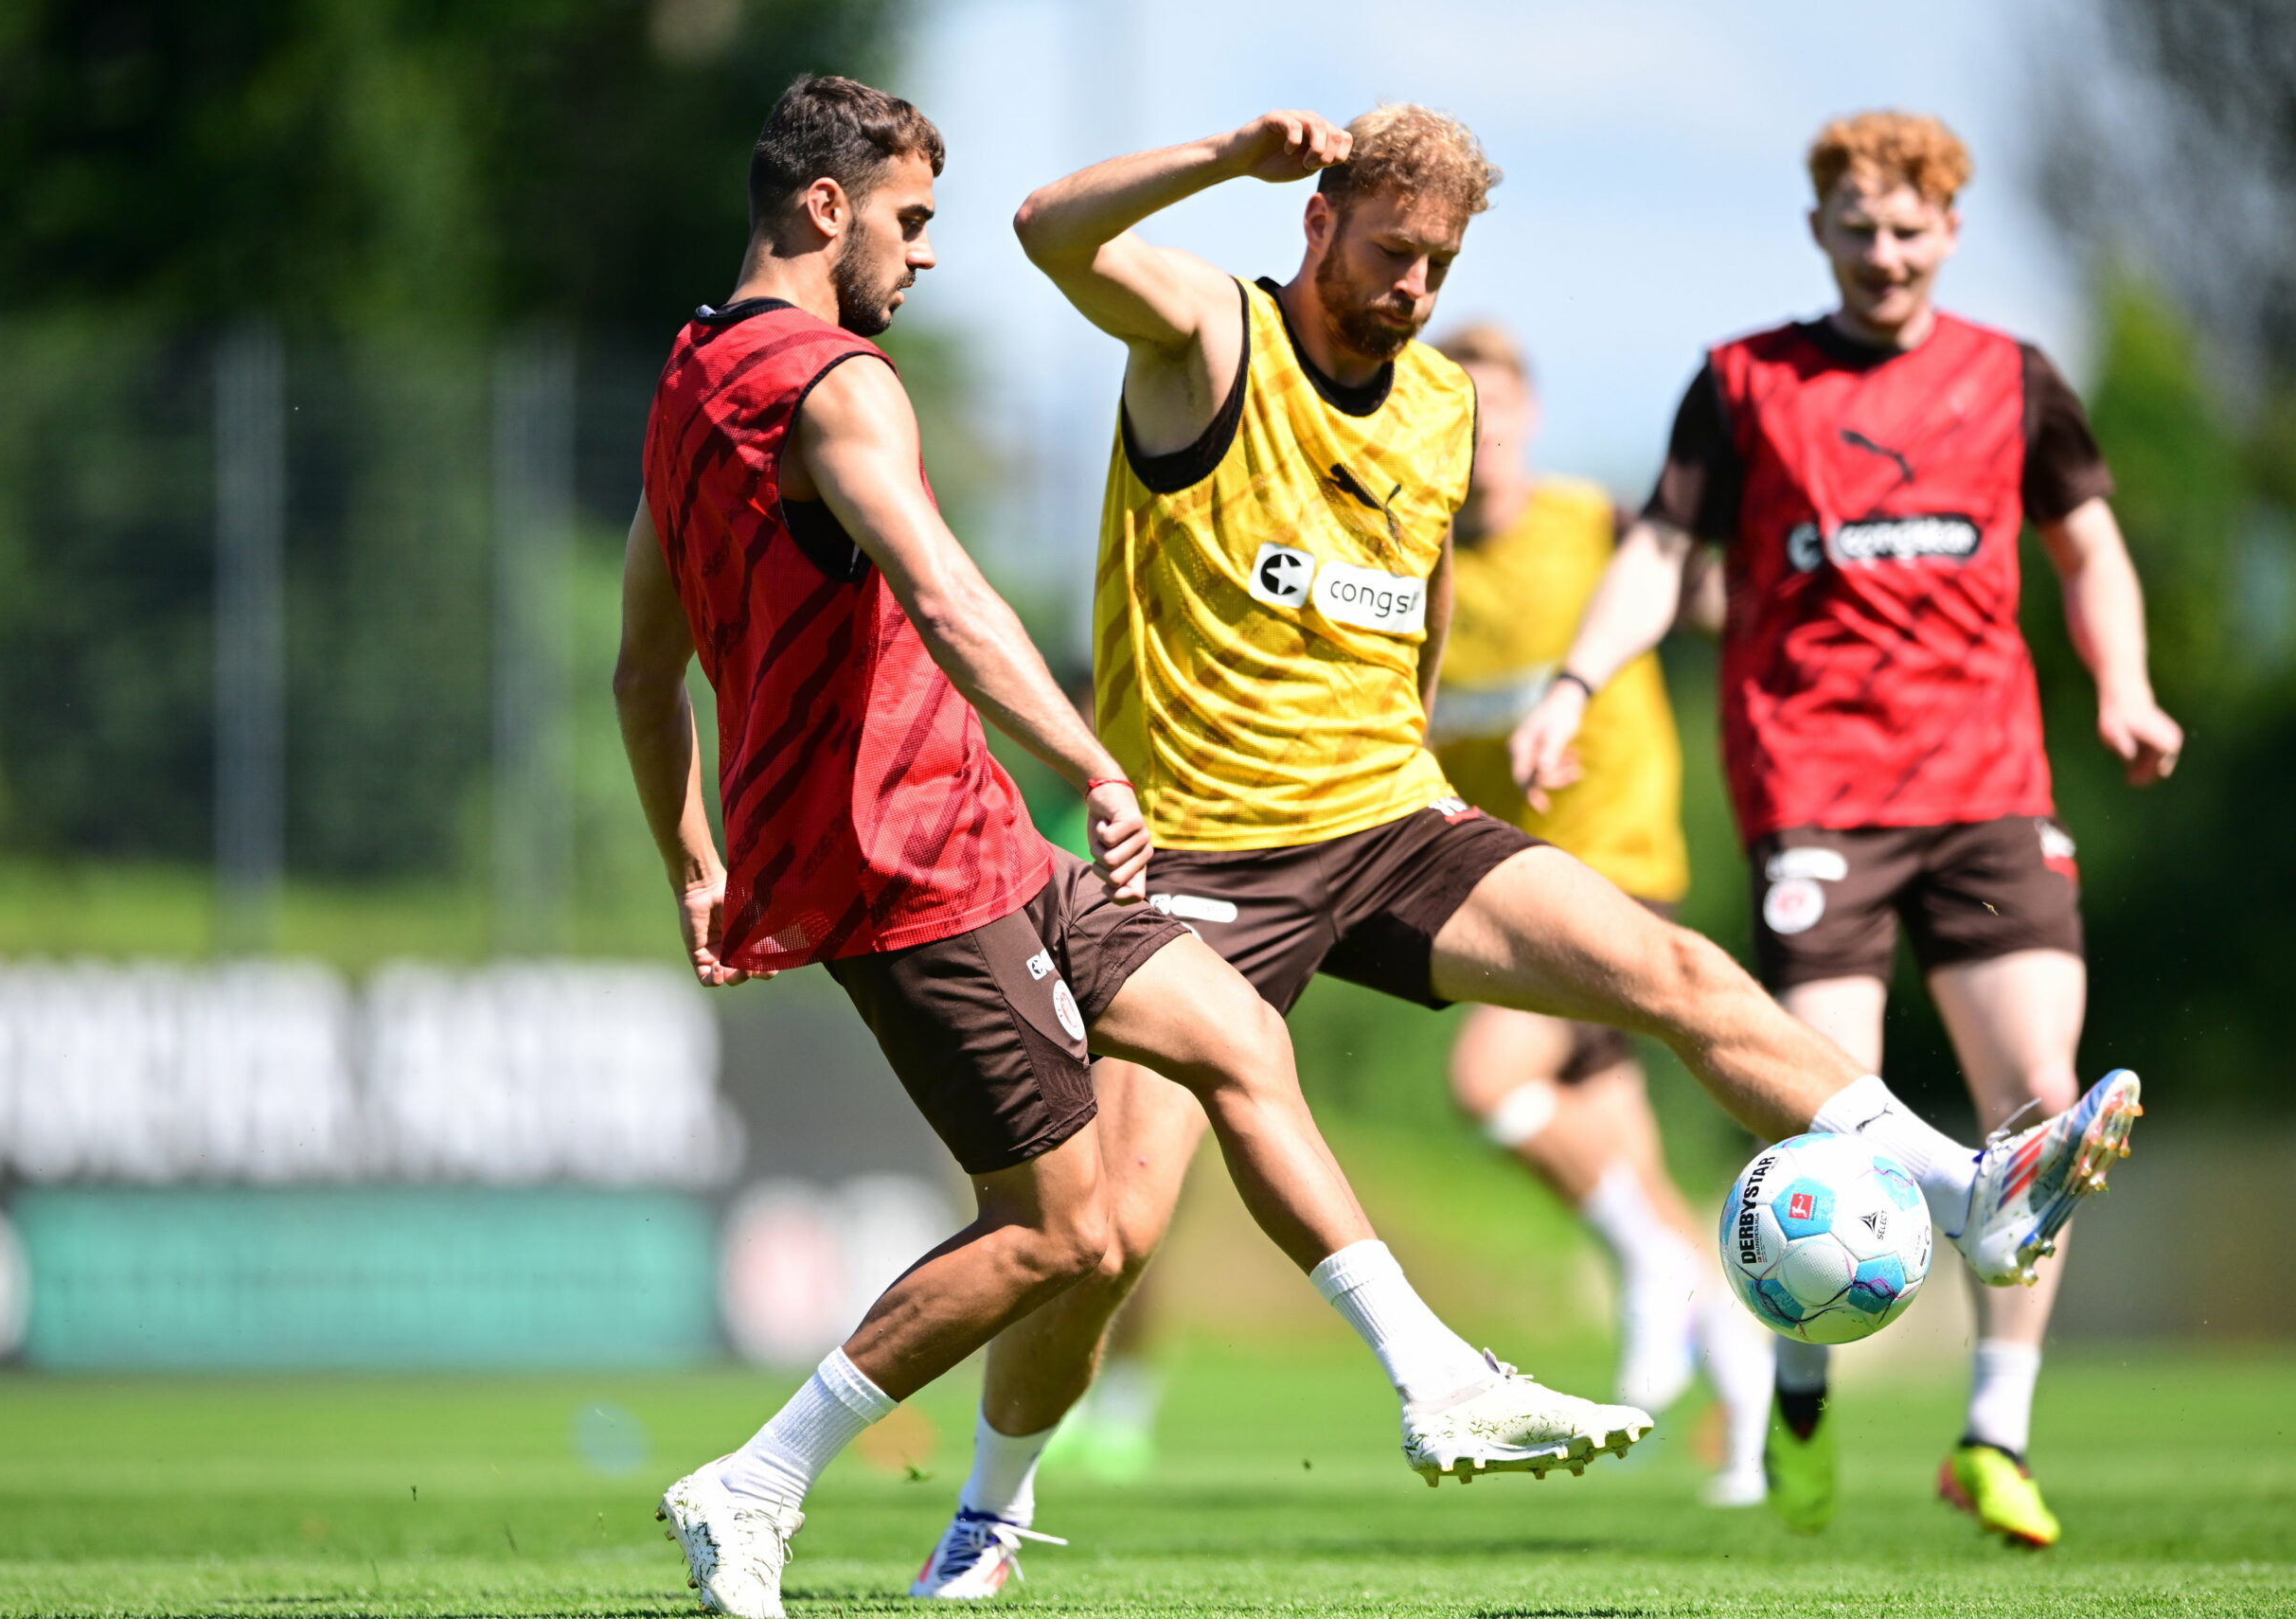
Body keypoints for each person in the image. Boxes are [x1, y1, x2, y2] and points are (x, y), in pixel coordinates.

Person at [910, 102, 2141, 1598]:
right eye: (1390, 252)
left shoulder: (1439, 408)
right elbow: (1048, 227)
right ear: (1318, 226)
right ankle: (985, 1516)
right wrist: (1230, 160)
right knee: (1105, 1236)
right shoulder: (1207, 335)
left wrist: (1420, 766)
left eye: (1439, 262)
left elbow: (1414, 610)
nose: (1413, 287)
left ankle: (1968, 1190)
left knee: (1675, 969)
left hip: (1389, 821)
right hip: (1201, 862)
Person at [615, 76, 1652, 1619]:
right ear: (825, 211)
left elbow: (643, 664)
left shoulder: (695, 376)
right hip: (904, 866)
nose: (928, 256)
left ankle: (1436, 1380)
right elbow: (956, 606)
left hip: (973, 835)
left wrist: (689, 847)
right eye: (910, 222)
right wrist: (1093, 756)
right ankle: (757, 1481)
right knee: (1067, 1233)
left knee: (1237, 1033)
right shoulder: (844, 390)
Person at [1507, 110, 2179, 1549]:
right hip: (1816, 798)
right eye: (1859, 228)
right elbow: (1661, 552)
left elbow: (2091, 547)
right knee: (1836, 1121)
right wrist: (1574, 679)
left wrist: (2121, 681)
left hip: (1991, 791)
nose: (1885, 253)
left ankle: (1993, 1434)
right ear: (1821, 232)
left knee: (2040, 1104)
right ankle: (1802, 1398)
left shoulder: (2015, 380)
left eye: (1911, 229)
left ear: (1950, 231)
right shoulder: (1746, 385)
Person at [1427, 321, 1772, 1508]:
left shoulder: (1594, 525)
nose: (1486, 432)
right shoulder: (1417, 553)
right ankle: (1742, 1384)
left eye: (1502, 408)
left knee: (1487, 1081)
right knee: (1619, 1154)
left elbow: (1716, 591)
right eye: (1460, 409)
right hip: (1508, 890)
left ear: (1530, 418)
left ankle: (1646, 1282)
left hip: (1617, 869)